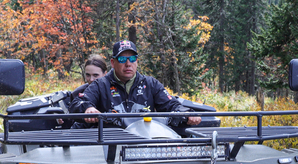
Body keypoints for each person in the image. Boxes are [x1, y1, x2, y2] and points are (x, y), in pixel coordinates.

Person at [69, 40, 201, 127]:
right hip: (110, 145)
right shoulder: (100, 85)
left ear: (137, 61)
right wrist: (88, 108)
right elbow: (78, 103)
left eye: (132, 59)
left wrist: (186, 112)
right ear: (113, 63)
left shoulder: (151, 84)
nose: (128, 64)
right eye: (122, 59)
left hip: (143, 143)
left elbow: (170, 104)